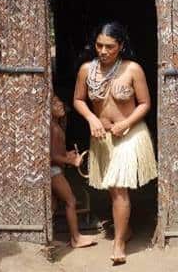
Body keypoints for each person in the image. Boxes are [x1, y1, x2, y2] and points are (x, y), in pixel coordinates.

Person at [73, 21, 157, 265]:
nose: (102, 50)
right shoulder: (86, 70)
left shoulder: (133, 69)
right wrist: (91, 118)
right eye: (99, 45)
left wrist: (126, 122)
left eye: (109, 46)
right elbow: (78, 99)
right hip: (102, 137)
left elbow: (145, 103)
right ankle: (126, 229)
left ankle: (119, 241)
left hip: (129, 135)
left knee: (119, 188)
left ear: (120, 46)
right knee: (113, 189)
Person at [50, 93, 98, 248]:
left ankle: (49, 238)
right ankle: (75, 239)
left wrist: (68, 155)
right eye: (54, 103)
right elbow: (52, 156)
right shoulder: (53, 128)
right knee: (70, 200)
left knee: (54, 204)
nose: (59, 105)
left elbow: (58, 153)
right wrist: (72, 161)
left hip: (56, 168)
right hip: (53, 170)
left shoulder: (56, 126)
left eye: (59, 102)